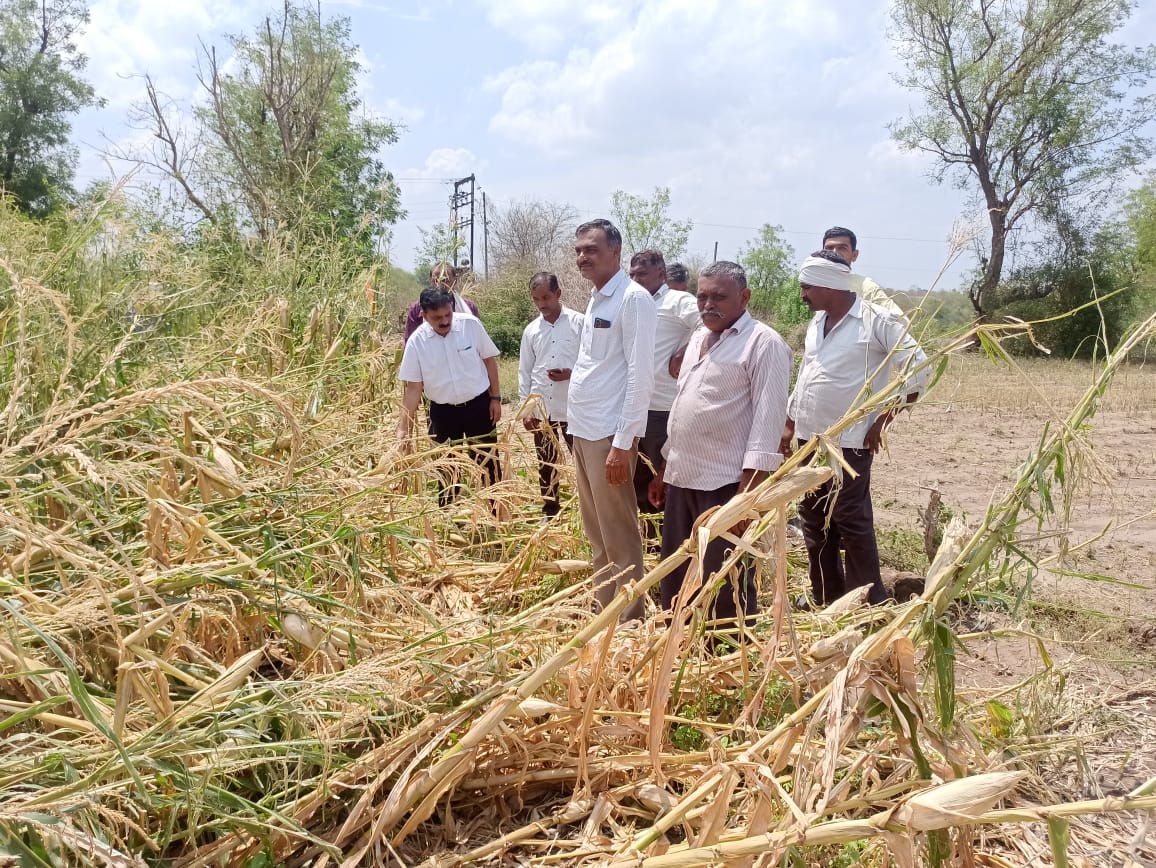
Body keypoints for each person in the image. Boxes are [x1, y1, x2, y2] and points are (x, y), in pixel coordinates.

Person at [648, 261, 793, 629]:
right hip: (683, 477)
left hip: (726, 485)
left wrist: (747, 498)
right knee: (678, 573)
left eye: (719, 297)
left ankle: (725, 659)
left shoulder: (764, 343)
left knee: (723, 580)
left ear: (744, 297)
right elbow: (684, 408)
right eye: (702, 296)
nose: (708, 304)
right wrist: (664, 469)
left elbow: (767, 425)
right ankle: (676, 649)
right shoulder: (698, 338)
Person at [780, 251, 928, 606]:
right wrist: (789, 422)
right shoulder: (818, 322)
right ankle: (827, 597)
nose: (803, 295)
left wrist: (882, 419)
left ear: (831, 284)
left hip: (850, 440)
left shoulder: (877, 319)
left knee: (850, 520)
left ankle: (867, 601)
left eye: (807, 287)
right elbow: (807, 375)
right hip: (810, 438)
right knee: (814, 520)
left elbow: (919, 367)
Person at [567, 219, 656, 622]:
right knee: (597, 532)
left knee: (619, 533)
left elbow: (640, 374)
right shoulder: (596, 297)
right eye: (579, 251)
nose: (583, 257)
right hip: (583, 430)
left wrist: (623, 443)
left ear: (616, 253)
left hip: (608, 435)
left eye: (592, 250)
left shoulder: (632, 299)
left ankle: (629, 620)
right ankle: (607, 611)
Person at [397, 287, 503, 506]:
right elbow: (414, 388)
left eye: (448, 315)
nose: (445, 321)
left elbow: (489, 361)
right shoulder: (417, 343)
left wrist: (495, 398)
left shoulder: (470, 325)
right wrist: (403, 428)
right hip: (442, 413)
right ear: (424, 316)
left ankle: (497, 517)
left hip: (479, 407)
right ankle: (451, 525)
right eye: (437, 318)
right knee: (447, 470)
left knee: (488, 464)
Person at [628, 250, 700, 540]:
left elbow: (707, 322)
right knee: (639, 478)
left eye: (642, 274)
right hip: (635, 406)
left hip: (663, 407)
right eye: (632, 274)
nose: (635, 279)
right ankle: (649, 539)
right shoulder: (631, 302)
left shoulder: (677, 301)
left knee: (667, 477)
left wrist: (683, 353)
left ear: (661, 274)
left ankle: (672, 542)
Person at [518, 271, 584, 518]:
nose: (542, 304)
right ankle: (551, 510)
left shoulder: (580, 323)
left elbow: (593, 363)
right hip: (542, 409)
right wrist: (526, 410)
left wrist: (571, 373)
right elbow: (525, 372)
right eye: (536, 299)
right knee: (546, 462)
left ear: (558, 294)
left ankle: (586, 510)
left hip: (574, 408)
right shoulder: (531, 331)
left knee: (582, 462)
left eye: (546, 297)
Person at [820, 227, 907, 319]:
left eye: (842, 248)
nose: (834, 253)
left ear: (854, 255)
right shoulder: (812, 284)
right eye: (829, 248)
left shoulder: (866, 288)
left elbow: (901, 321)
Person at [404, 263, 479, 342]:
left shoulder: (469, 308)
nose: (440, 284)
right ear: (430, 281)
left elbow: (478, 339)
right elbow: (410, 341)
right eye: (436, 280)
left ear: (455, 281)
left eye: (445, 280)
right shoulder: (417, 308)